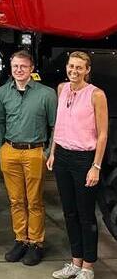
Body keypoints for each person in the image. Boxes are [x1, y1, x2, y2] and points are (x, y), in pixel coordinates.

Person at [48, 52, 109, 279]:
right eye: (71, 66)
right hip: (62, 156)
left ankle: (88, 266)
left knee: (86, 214)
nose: (74, 71)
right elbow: (59, 123)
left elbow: (102, 134)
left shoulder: (96, 95)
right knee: (69, 212)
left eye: (79, 68)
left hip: (84, 159)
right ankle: (75, 261)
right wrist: (53, 152)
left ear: (87, 70)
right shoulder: (62, 88)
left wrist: (96, 166)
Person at [0, 50, 57, 266]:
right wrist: (0, 147)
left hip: (35, 152)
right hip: (10, 151)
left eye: (23, 66)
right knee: (16, 200)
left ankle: (36, 243)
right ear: (11, 70)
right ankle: (20, 239)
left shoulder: (46, 94)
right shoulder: (3, 92)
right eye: (15, 67)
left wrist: (48, 152)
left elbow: (55, 126)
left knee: (35, 201)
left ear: (32, 69)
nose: (19, 70)